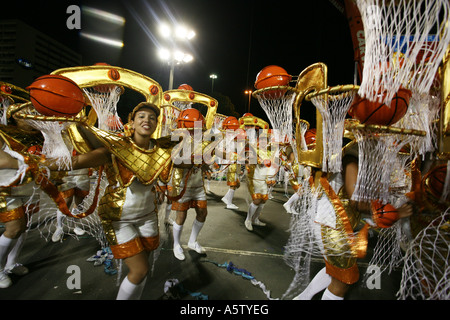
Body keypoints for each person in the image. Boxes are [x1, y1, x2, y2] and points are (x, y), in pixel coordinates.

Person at [46, 102, 173, 299]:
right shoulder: (115, 148)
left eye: (152, 117)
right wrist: (38, 164)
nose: (147, 120)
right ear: (131, 122)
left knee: (143, 269)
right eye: (141, 116)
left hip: (148, 217)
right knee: (139, 270)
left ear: (157, 124)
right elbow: (75, 162)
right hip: (120, 219)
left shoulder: (161, 149)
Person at [292, 143, 414, 300]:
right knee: (343, 281)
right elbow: (358, 202)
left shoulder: (355, 156)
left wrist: (388, 190)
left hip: (331, 222)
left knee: (335, 271)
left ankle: (302, 298)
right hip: (332, 225)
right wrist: (396, 213)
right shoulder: (352, 159)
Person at [0, 115, 43, 288]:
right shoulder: (4, 132)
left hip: (27, 186)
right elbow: (3, 161)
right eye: (28, 112)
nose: (33, 115)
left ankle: (12, 263)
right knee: (14, 227)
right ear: (15, 117)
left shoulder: (38, 135)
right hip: (6, 187)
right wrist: (36, 164)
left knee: (23, 226)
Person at [170, 108, 211, 261]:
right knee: (181, 216)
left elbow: (204, 160)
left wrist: (205, 165)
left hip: (198, 184)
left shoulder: (202, 141)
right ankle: (176, 244)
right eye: (192, 128)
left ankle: (192, 242)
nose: (195, 131)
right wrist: (195, 161)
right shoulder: (177, 139)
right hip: (182, 185)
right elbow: (175, 162)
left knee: (202, 213)